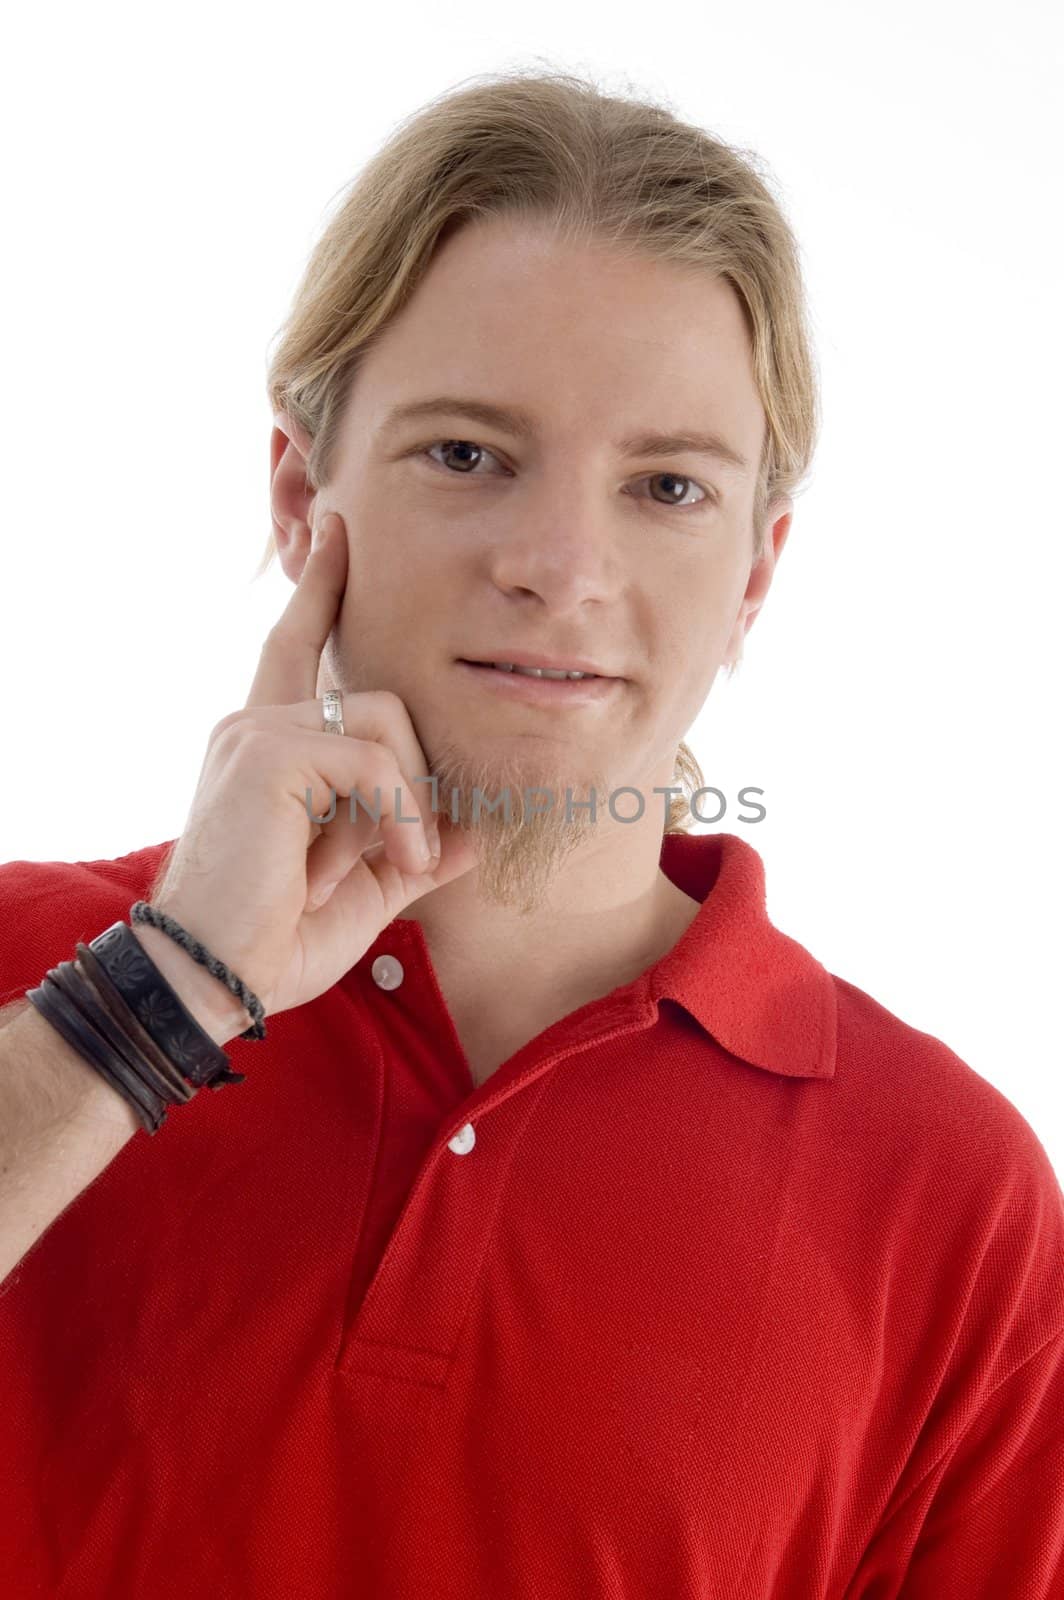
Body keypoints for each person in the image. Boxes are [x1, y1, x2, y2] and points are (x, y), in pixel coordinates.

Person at [0, 67, 1060, 1600]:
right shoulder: (39, 981)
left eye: (667, 486)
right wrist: (160, 996)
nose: (562, 568)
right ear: (303, 495)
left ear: (755, 575)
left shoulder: (948, 1199)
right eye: (468, 455)